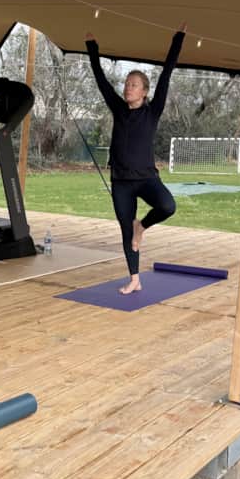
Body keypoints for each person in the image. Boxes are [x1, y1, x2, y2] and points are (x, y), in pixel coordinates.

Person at [86, 25, 185, 294]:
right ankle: (134, 279)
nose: (127, 88)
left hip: (146, 179)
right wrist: (92, 48)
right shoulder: (118, 109)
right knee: (125, 232)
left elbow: (166, 73)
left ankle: (142, 225)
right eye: (127, 84)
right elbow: (100, 80)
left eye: (133, 85)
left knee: (168, 205)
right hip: (121, 182)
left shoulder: (153, 111)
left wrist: (178, 39)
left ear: (144, 91)